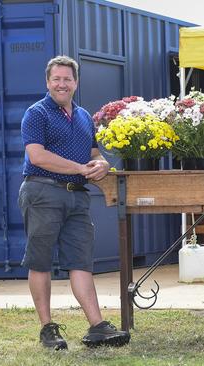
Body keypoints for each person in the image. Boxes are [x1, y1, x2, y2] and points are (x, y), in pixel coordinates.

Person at [19, 55, 129, 350]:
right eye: (56, 79)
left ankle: (97, 327)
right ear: (47, 82)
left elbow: (93, 154)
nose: (61, 84)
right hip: (42, 192)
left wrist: (101, 163)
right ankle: (47, 330)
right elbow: (37, 156)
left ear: (76, 83)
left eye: (67, 79)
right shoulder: (36, 113)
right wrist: (81, 169)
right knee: (40, 260)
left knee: (81, 260)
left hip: (77, 196)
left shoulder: (83, 116)